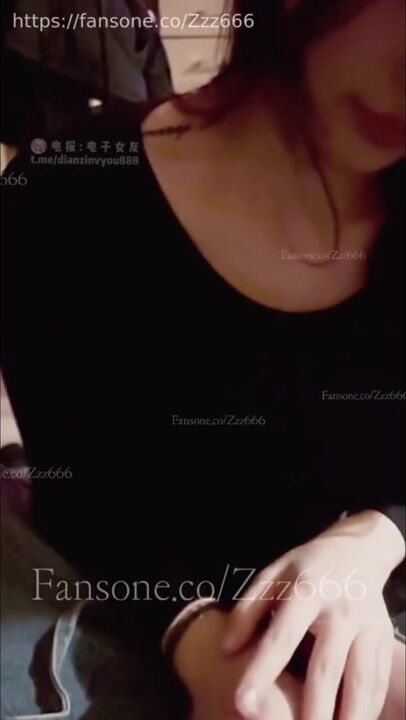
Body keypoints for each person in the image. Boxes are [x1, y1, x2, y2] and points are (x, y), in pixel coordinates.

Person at [1, 0, 405, 718]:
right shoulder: (63, 196)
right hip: (136, 606)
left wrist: (374, 537)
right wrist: (194, 635)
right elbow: (91, 492)